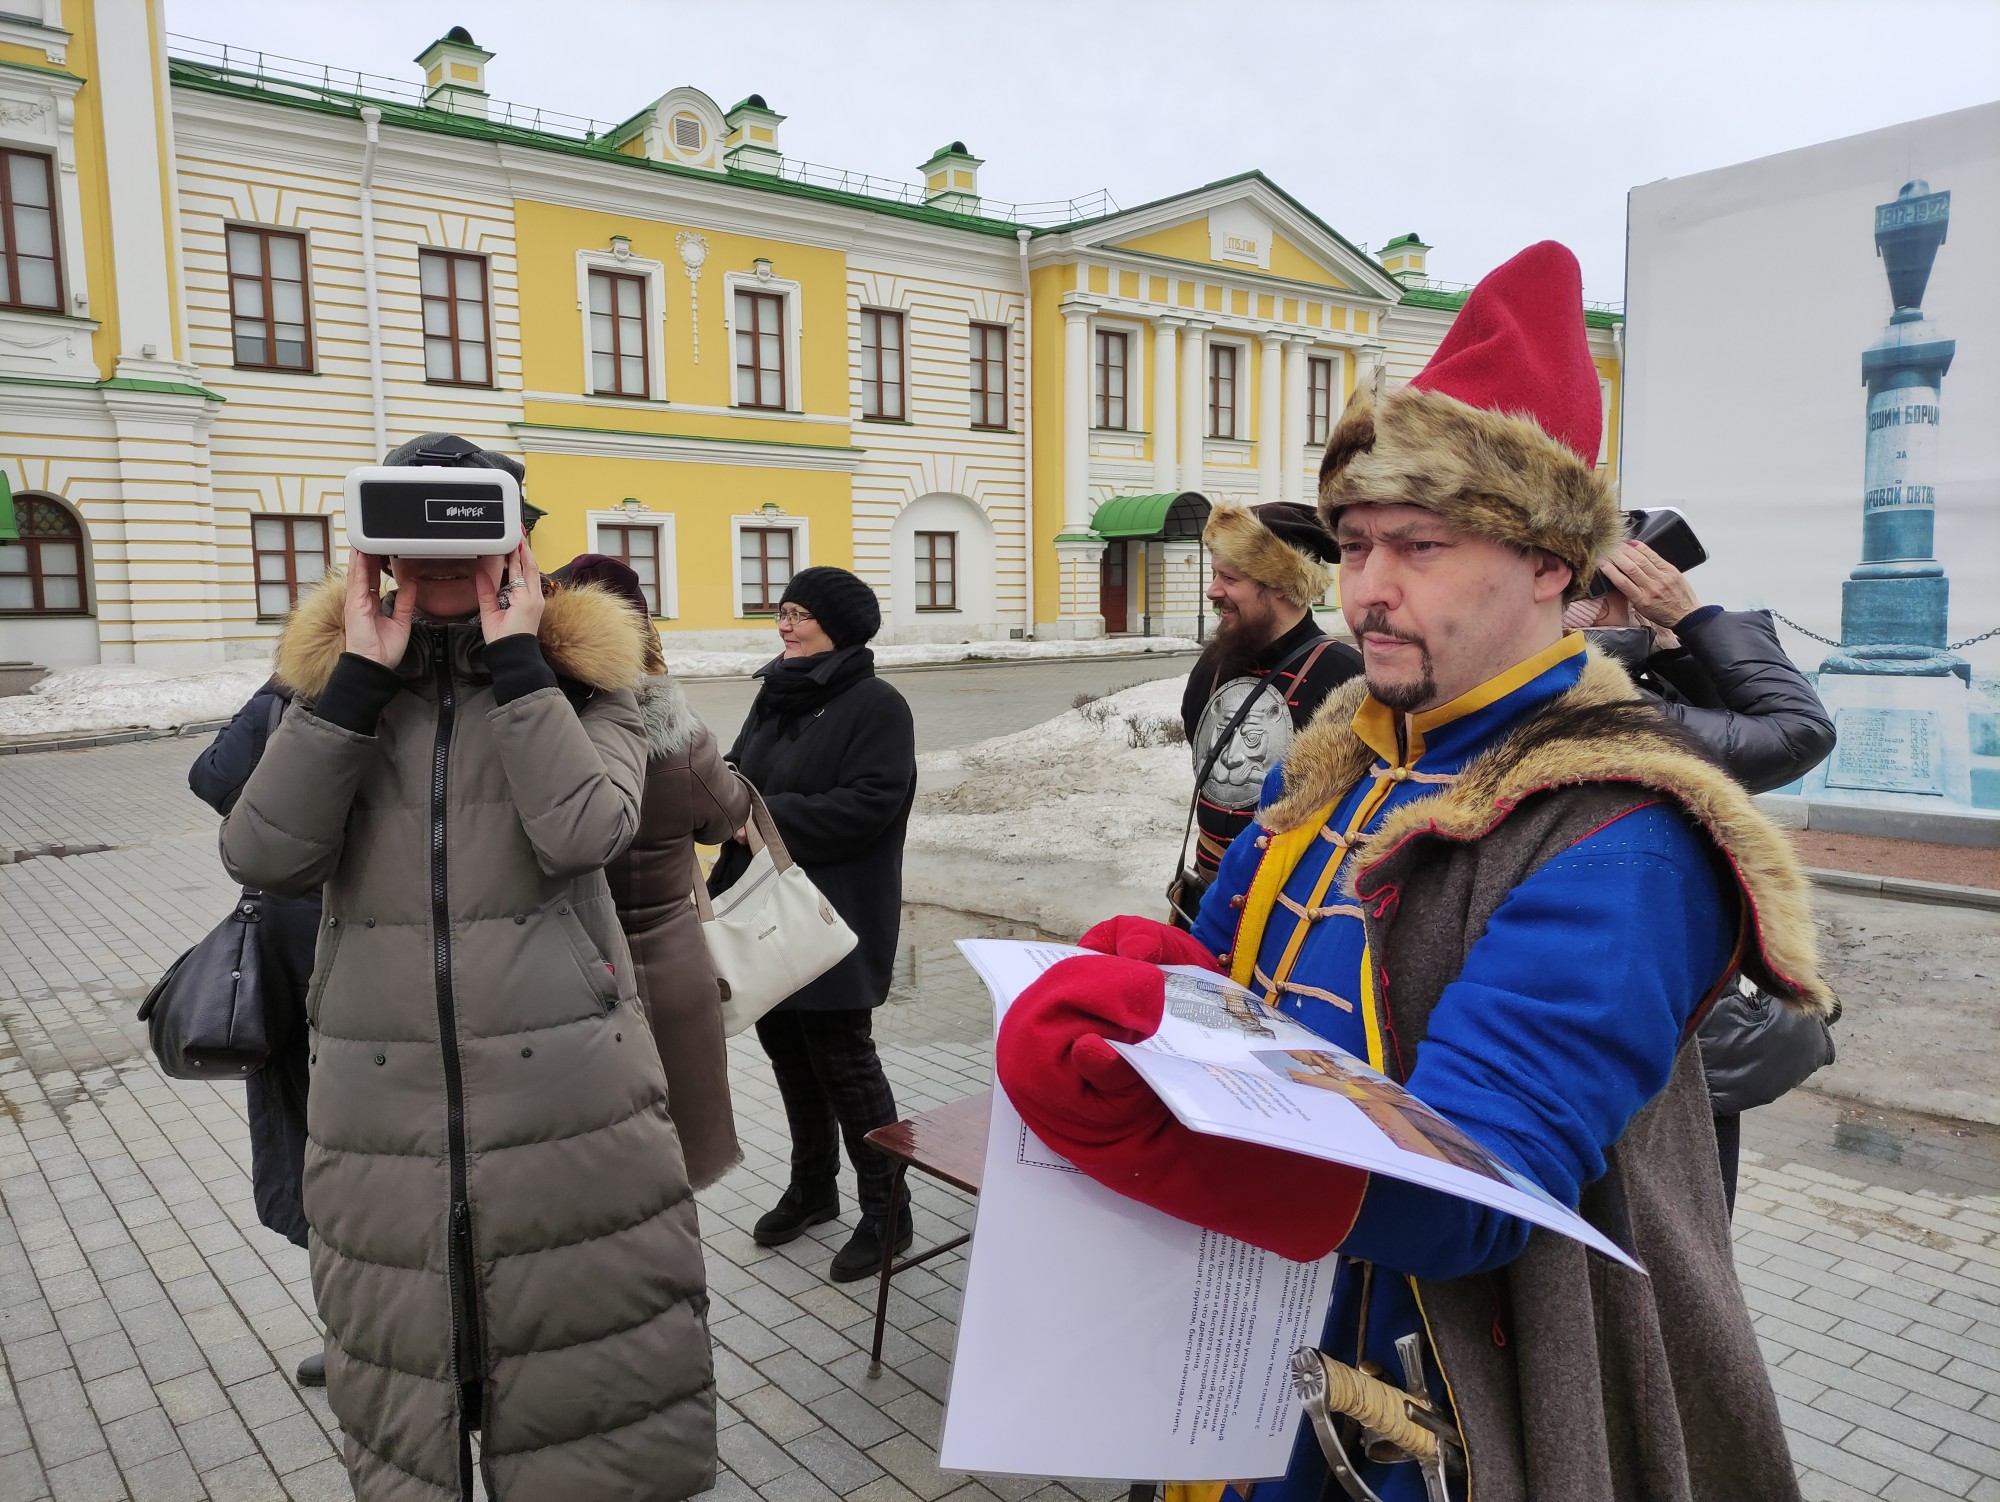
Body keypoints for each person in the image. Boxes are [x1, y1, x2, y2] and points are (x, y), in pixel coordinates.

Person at [997, 244, 1833, 1501]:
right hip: (1245, 1337)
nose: (1369, 591)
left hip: (1439, 1394)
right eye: (1354, 541)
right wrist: (1173, 988)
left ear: (1554, 565)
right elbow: (1256, 1000)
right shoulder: (1346, 757)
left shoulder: (1617, 825)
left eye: (1421, 545)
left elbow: (1469, 1194)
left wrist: (1125, 1120)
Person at [218, 434, 715, 1502]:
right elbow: (263, 852)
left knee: (589, 1398)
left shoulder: (592, 683)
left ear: (517, 547)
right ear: (377, 555)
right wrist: (353, 680)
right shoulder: (338, 691)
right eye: (412, 542)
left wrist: (521, 661)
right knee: (410, 1400)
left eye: (470, 538)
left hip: (568, 1106)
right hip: (382, 1112)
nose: (441, 567)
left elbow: (585, 829)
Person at [1566, 539, 1839, 1210]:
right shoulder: (1593, 709)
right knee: (1683, 1226)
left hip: (1646, 1029)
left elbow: (1729, 731)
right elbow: (1797, 732)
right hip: (1667, 1048)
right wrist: (1692, 615)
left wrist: (1663, 647)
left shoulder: (1602, 695)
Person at [709, 565, 917, 1283]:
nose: (784, 624)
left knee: (846, 1063)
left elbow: (871, 803)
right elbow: (739, 769)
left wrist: (763, 823)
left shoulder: (876, 705)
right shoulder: (778, 693)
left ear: (838, 625)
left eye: (798, 613)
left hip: (832, 914)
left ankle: (888, 1211)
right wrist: (721, 795)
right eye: (783, 611)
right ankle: (813, 1188)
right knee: (789, 1056)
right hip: (765, 910)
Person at [559, 552, 753, 1190]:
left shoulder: (536, 724)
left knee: (588, 1168)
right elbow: (724, 820)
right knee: (672, 1154)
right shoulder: (677, 735)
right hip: (669, 965)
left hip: (561, 968)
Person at [189, 679, 324, 1388]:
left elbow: (213, 777)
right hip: (336, 953)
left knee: (312, 1144)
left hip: (290, 955)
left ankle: (358, 1334)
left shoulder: (286, 692)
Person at [1174, 504, 1361, 924]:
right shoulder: (1215, 663)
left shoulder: (1345, 676)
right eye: (1215, 574)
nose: (1212, 590)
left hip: (1292, 909)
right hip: (1205, 895)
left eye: (1230, 578)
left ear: (1280, 583)